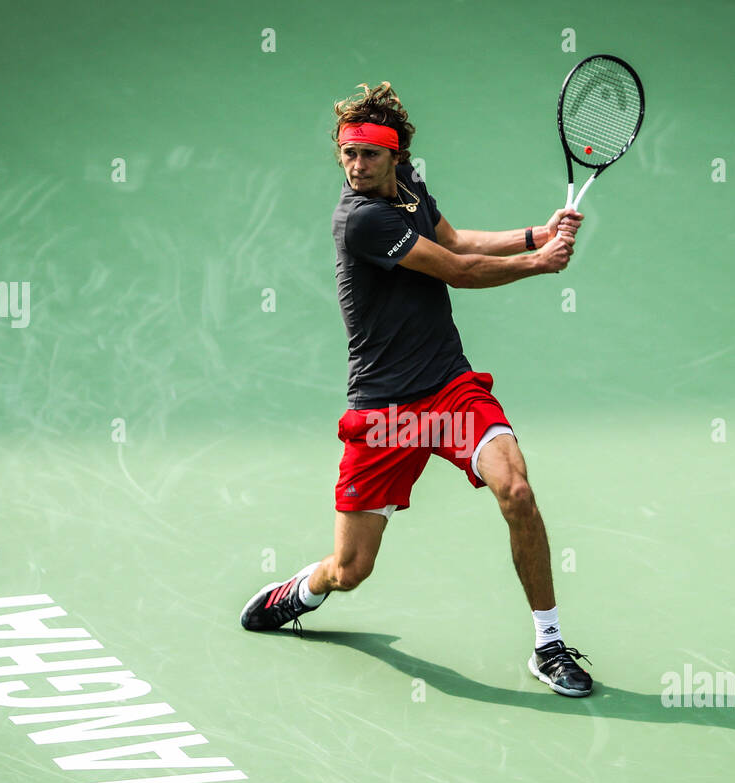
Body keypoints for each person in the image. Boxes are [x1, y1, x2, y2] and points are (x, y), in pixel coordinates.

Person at [240, 81, 593, 697]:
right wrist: (538, 265)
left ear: (396, 156)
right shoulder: (363, 220)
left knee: (516, 489)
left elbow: (456, 241)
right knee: (352, 570)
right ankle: (302, 591)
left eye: (369, 154)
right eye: (348, 154)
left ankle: (549, 642)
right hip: (385, 415)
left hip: (450, 391)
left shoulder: (408, 193)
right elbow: (457, 271)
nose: (355, 166)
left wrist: (534, 235)